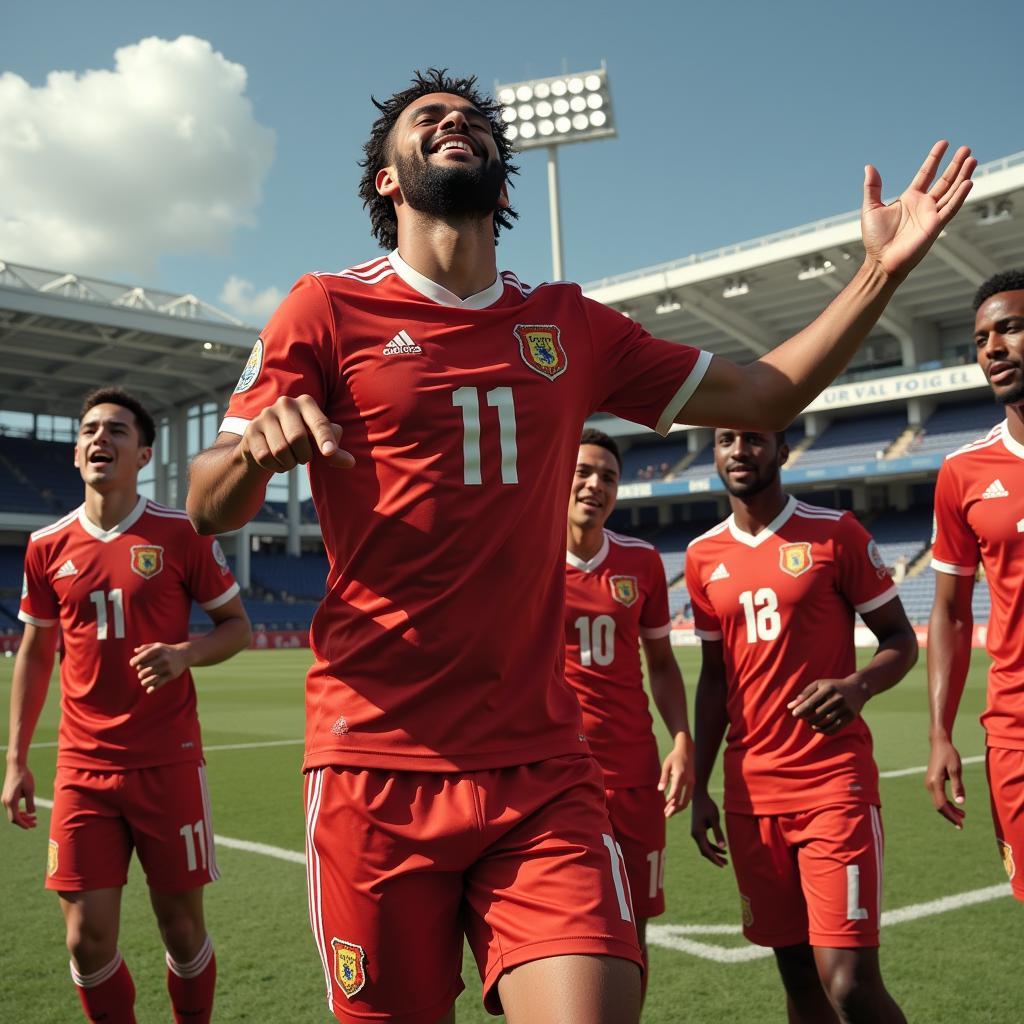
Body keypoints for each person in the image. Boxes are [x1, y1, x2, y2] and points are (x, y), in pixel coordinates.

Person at [184, 66, 972, 1024]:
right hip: (375, 761)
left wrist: (882, 270)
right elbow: (207, 506)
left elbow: (766, 394)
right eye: (429, 118)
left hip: (543, 769)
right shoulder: (325, 308)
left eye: (473, 119)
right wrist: (254, 457)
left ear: (504, 185)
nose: (455, 123)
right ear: (386, 180)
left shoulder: (569, 326)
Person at [2, 388, 251, 1024]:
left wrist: (184, 655)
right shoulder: (45, 546)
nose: (98, 439)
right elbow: (34, 654)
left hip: (167, 763)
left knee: (181, 930)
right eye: (89, 430)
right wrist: (16, 761)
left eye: (115, 430)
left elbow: (236, 628)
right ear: (76, 451)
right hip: (82, 770)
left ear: (143, 453)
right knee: (86, 941)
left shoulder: (180, 532)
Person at [687, 427, 918, 1024]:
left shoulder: (834, 532)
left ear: (783, 450)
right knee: (798, 981)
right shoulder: (701, 556)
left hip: (831, 785)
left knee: (848, 984)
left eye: (755, 439)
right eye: (726, 440)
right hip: (750, 796)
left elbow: (901, 637)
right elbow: (715, 681)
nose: (740, 451)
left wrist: (858, 686)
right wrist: (701, 788)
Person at [563, 428, 694, 999]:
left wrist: (683, 738)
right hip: (558, 777)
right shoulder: (525, 556)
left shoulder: (640, 561)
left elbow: (662, 664)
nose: (595, 485)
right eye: (584, 472)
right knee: (569, 933)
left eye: (608, 477)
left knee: (634, 931)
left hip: (636, 778)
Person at [925, 269, 1024, 902]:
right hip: (1016, 729)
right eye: (981, 337)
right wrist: (940, 733)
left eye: (1010, 327)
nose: (992, 347)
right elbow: (951, 613)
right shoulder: (963, 472)